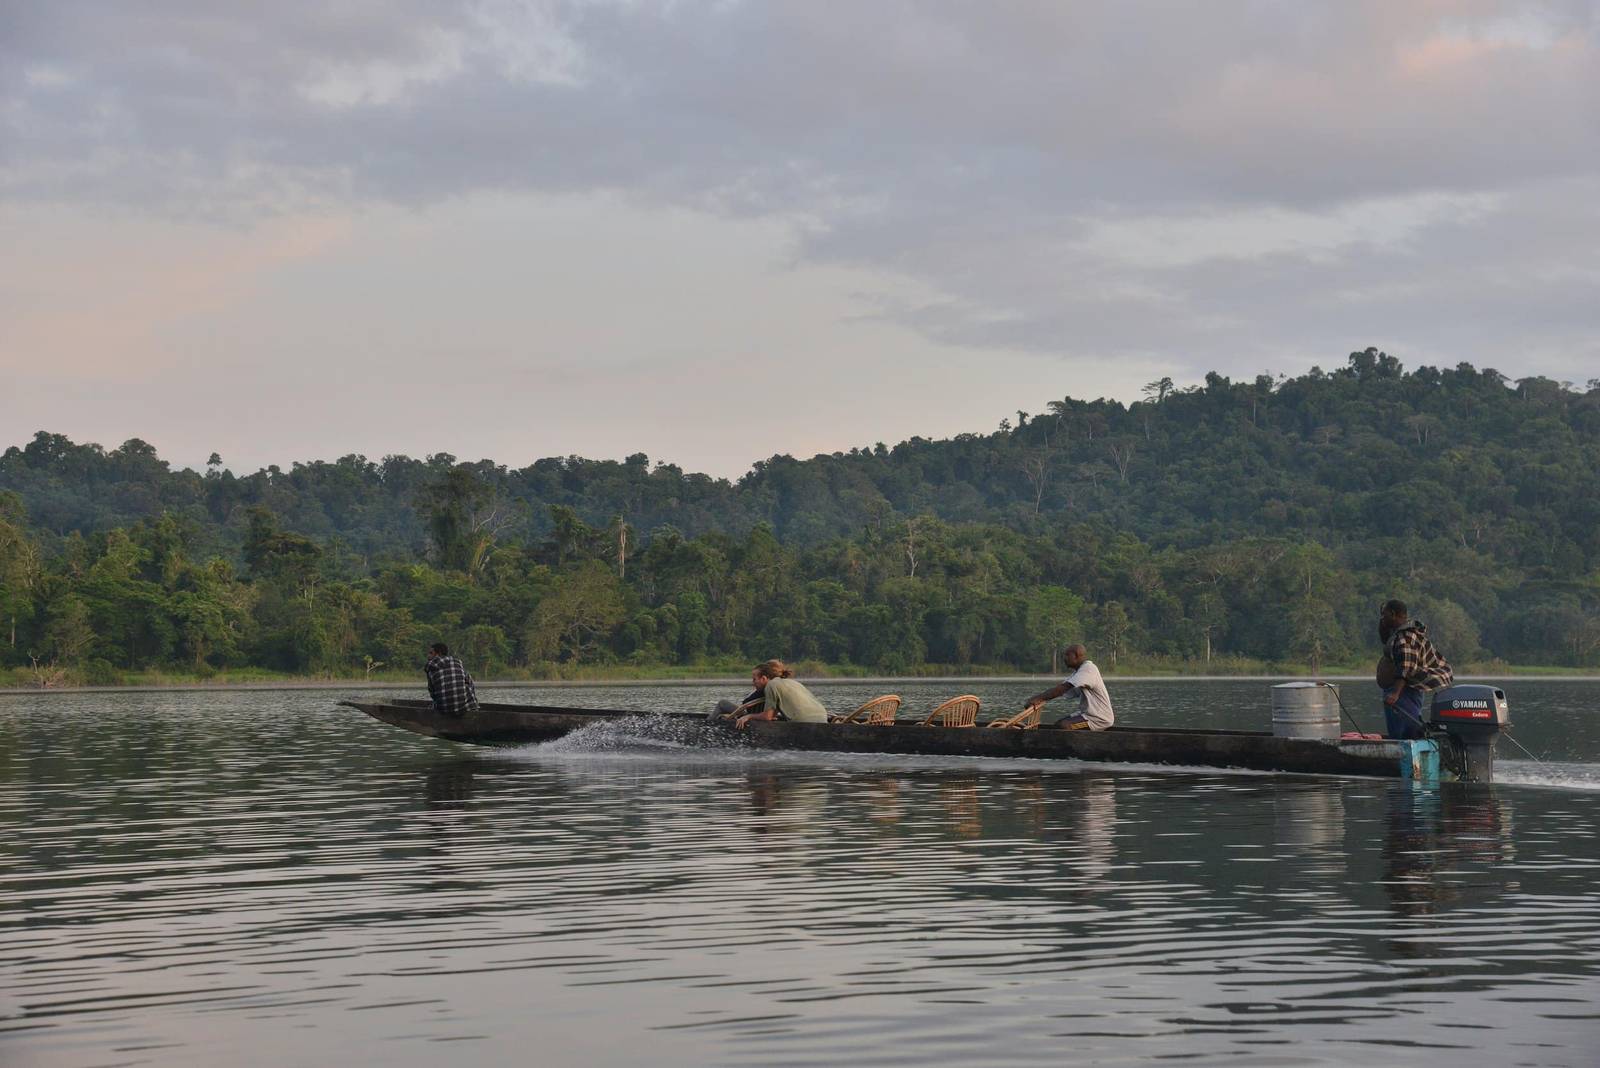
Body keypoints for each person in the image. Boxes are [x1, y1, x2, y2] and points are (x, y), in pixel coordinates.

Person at [1378, 600, 1453, 740]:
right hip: (1403, 689)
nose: (1382, 618)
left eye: (1385, 615)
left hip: (1405, 690)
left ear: (1393, 614)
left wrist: (1395, 694)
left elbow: (1406, 666)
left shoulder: (1406, 637)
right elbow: (1385, 639)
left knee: (1405, 729)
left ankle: (1408, 753)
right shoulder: (1398, 634)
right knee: (1398, 729)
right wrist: (1382, 622)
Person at [1022, 644, 1114, 730]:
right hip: (1087, 714)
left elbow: (1062, 689)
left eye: (1067, 655)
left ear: (1076, 655)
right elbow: (1061, 690)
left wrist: (1038, 698)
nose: (1064, 658)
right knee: (1058, 724)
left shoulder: (1088, 669)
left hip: (1099, 718)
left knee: (1064, 726)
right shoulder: (1078, 672)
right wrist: (1040, 700)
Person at [733, 659, 829, 729]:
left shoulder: (771, 685)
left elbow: (767, 717)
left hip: (804, 722)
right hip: (823, 718)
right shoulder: (792, 682)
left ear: (764, 678)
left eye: (754, 679)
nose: (753, 682)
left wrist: (748, 716)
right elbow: (773, 714)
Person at [425, 642, 479, 717]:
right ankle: (473, 709)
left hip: (444, 710)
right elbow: (470, 684)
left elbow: (433, 694)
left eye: (431, 653)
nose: (428, 656)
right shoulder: (457, 663)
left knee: (433, 703)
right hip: (464, 709)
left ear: (439, 654)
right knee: (468, 682)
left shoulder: (430, 668)